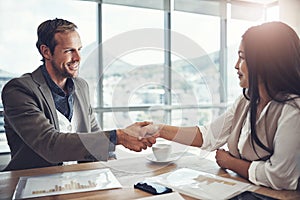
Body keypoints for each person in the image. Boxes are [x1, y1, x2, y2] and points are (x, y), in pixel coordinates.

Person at [144, 22, 300, 190]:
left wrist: (231, 163)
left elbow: (280, 177)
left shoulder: (293, 110)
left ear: (265, 62)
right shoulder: (246, 101)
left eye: (242, 57)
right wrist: (158, 129)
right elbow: (208, 136)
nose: (235, 65)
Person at [1, 18, 156, 171]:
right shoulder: (19, 90)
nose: (78, 58)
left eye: (79, 49)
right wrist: (119, 137)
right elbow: (50, 145)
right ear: (46, 52)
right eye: (69, 51)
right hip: (31, 183)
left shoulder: (81, 86)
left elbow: (93, 134)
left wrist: (111, 165)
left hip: (76, 179)